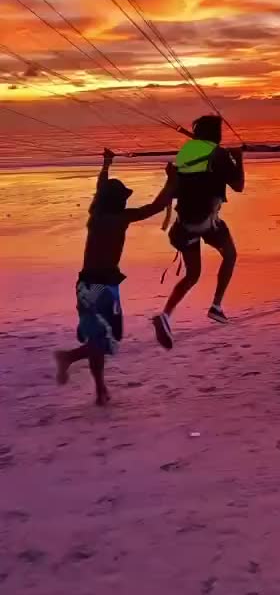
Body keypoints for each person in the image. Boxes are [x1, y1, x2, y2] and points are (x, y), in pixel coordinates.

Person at [54, 149, 174, 405]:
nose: (124, 202)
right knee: (108, 337)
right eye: (122, 198)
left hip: (89, 284)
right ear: (116, 202)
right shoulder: (118, 219)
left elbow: (99, 190)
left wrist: (106, 164)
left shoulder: (95, 216)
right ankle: (70, 359)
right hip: (100, 287)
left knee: (100, 337)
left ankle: (99, 390)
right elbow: (155, 207)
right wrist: (171, 181)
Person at [153, 114, 244, 350]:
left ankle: (165, 315)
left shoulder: (185, 153)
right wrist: (238, 159)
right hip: (207, 222)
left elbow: (183, 183)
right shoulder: (219, 154)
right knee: (231, 255)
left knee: (193, 275)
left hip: (185, 226)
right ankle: (216, 305)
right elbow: (238, 186)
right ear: (216, 134)